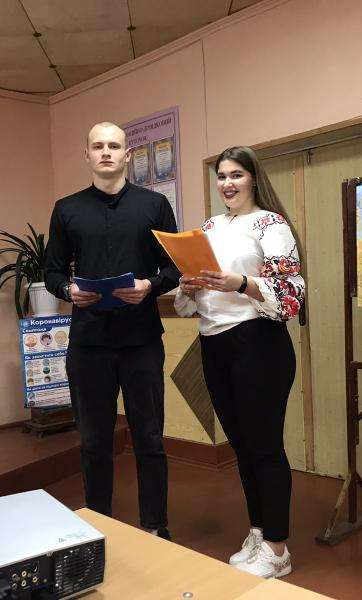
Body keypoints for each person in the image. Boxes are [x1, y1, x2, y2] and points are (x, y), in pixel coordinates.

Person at [45, 121, 180, 539]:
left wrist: (150, 286)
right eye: (98, 146)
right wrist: (67, 290)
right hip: (89, 345)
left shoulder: (154, 205)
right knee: (93, 442)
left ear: (127, 155)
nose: (106, 152)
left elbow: (175, 266)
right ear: (87, 155)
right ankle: (98, 523)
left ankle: (155, 527)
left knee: (150, 439)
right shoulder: (66, 209)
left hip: (142, 342)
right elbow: (51, 271)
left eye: (114, 146)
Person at [175, 146, 305, 578]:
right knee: (243, 448)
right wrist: (189, 288)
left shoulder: (271, 224)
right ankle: (259, 530)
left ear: (253, 178)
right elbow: (189, 305)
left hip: (258, 344)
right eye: (222, 176)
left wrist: (242, 283)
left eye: (236, 175)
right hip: (214, 344)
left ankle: (278, 550)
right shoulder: (209, 227)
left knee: (265, 447)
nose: (227, 184)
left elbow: (291, 296)